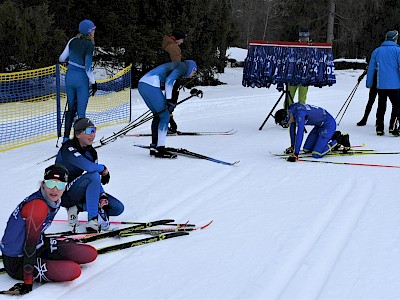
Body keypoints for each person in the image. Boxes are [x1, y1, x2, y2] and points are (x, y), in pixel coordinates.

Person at [0, 165, 98, 295]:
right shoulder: (38, 206)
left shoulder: (55, 200)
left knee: (90, 253)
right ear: (43, 184)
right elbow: (29, 246)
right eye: (51, 183)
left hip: (39, 246)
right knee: (74, 271)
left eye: (60, 185)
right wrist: (28, 282)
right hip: (18, 261)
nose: (55, 190)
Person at [55, 118, 124, 232]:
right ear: (77, 134)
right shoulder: (68, 148)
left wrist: (102, 195)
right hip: (63, 193)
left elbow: (94, 175)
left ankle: (77, 207)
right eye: (88, 131)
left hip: (79, 189)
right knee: (93, 175)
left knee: (117, 208)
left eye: (94, 130)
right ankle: (93, 220)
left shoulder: (92, 152)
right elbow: (90, 168)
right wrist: (103, 169)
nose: (92, 134)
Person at [138, 60, 197, 158]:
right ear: (192, 68)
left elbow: (170, 84)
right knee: (164, 116)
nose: (192, 74)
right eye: (194, 72)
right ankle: (160, 149)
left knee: (158, 115)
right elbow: (169, 81)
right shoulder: (183, 67)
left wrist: (167, 100)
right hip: (150, 84)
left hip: (143, 84)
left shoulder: (178, 66)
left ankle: (154, 146)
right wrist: (169, 100)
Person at [59, 19, 98, 143]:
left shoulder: (72, 41)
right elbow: (88, 68)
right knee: (81, 111)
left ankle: (65, 138)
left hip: (69, 77)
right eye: (93, 29)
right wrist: (94, 82)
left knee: (71, 108)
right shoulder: (89, 45)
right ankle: (80, 140)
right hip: (81, 79)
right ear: (89, 31)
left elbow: (62, 58)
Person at [275, 103, 351, 162]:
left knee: (317, 154)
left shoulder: (300, 114)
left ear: (287, 117)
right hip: (319, 125)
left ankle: (339, 139)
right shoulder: (291, 110)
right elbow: (292, 128)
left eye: (284, 122)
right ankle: (330, 136)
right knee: (306, 149)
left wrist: (296, 153)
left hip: (328, 124)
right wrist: (292, 146)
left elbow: (300, 133)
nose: (285, 125)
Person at [366, 30, 400, 136]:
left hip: (381, 85)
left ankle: (379, 128)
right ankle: (392, 127)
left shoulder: (377, 51)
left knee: (381, 106)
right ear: (395, 39)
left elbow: (371, 68)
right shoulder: (398, 51)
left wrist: (369, 82)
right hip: (395, 85)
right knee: (397, 105)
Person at [162, 28, 187, 134]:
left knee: (168, 102)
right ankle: (165, 125)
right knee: (171, 102)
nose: (182, 42)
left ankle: (169, 122)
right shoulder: (174, 47)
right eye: (182, 39)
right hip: (171, 79)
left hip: (166, 77)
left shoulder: (167, 44)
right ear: (177, 39)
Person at [284, 27, 311, 108]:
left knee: (302, 99)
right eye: (302, 37)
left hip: (304, 75)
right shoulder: (294, 46)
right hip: (293, 75)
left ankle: (300, 115)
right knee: (289, 97)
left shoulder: (311, 48)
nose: (303, 39)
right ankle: (287, 115)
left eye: (305, 37)